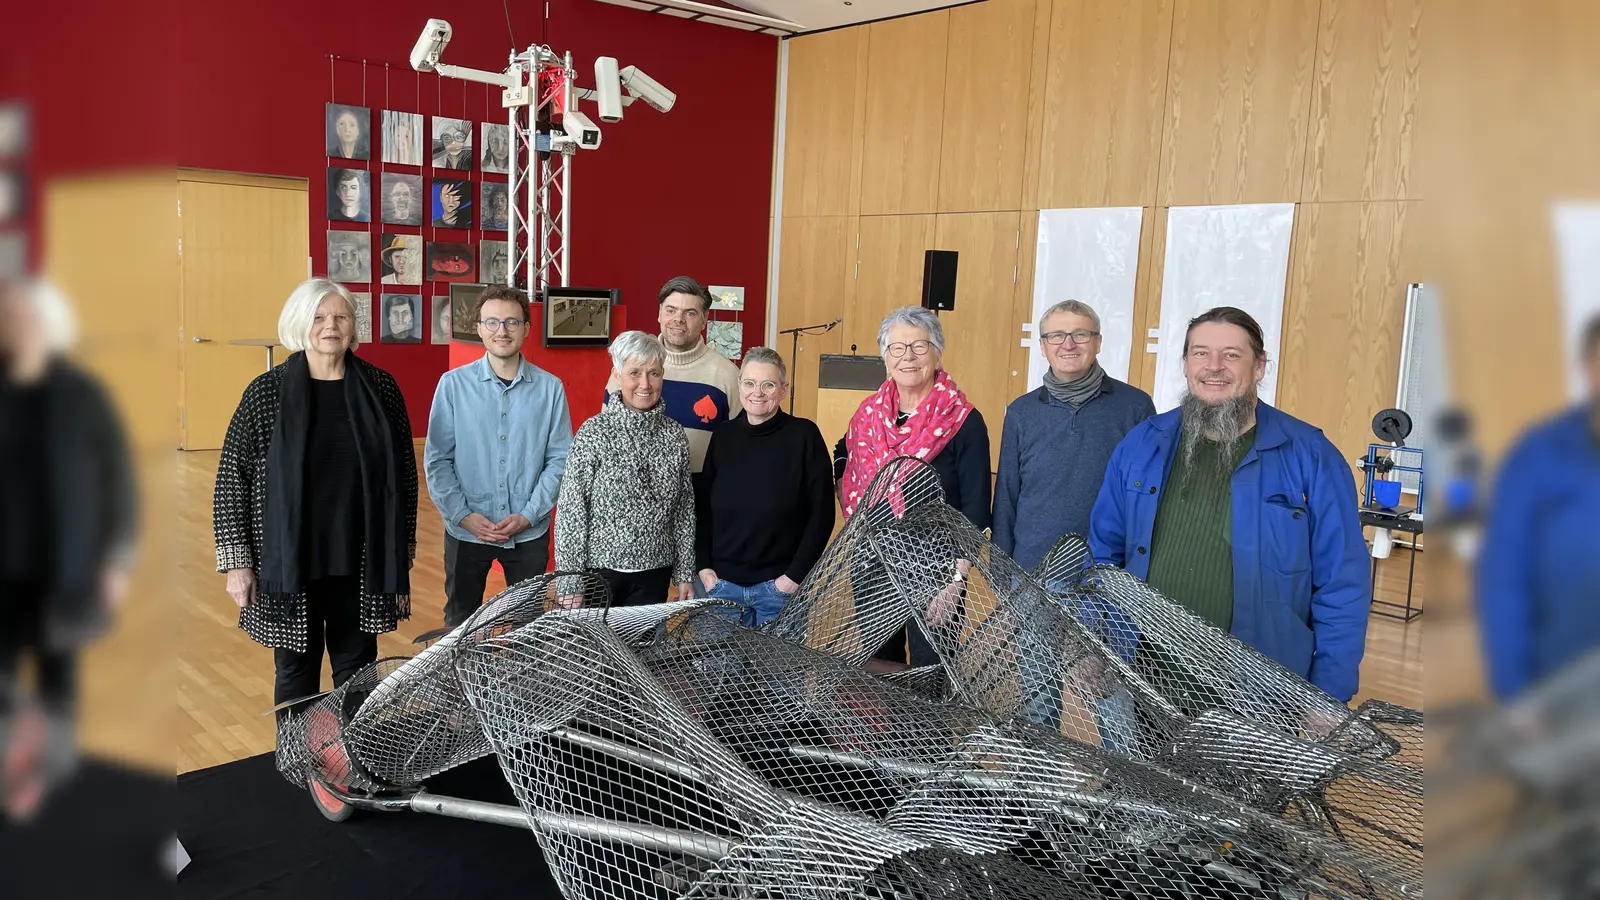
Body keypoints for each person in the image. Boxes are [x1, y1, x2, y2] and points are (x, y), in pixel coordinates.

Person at [1088, 307, 1370, 703]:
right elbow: (1102, 556)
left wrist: (1328, 693)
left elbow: (1342, 582)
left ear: (1260, 367)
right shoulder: (1141, 444)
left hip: (1260, 691)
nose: (1214, 367)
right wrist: (1095, 643)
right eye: (1200, 353)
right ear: (1186, 366)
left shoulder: (1311, 456)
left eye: (1232, 355)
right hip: (1142, 675)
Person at [213, 278, 417, 711]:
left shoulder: (381, 389)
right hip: (291, 559)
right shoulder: (265, 394)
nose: (331, 326)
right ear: (300, 324)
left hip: (361, 558)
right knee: (294, 669)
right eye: (319, 317)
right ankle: (296, 767)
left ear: (352, 326)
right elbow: (233, 478)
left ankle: (353, 766)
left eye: (341, 316)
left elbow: (403, 477)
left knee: (359, 665)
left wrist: (404, 548)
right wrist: (237, 564)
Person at [0, 280, 138, 820]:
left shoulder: (84, 394)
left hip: (67, 565)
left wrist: (119, 559)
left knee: (59, 670)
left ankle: (53, 777)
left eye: (33, 320)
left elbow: (119, 481)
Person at [991, 299, 1154, 732]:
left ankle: (1127, 787)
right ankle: (1042, 785)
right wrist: (1000, 570)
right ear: (1042, 346)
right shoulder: (1022, 412)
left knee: (1113, 696)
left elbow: (1147, 499)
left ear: (1097, 342)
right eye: (1056, 336)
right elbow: (1007, 492)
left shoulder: (1135, 408)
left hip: (1107, 577)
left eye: (1080, 334)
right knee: (1038, 689)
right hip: (1033, 572)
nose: (1068, 344)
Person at [834, 305, 990, 666]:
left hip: (938, 572)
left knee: (931, 671)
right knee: (880, 666)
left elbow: (976, 509)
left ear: (937, 354)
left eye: (919, 346)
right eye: (897, 348)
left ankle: (931, 726)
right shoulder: (867, 415)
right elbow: (845, 455)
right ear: (885, 358)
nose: (908, 357)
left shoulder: (964, 421)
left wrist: (956, 581)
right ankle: (884, 727)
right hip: (873, 562)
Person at [426, 286, 571, 628]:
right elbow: (437, 460)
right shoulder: (452, 385)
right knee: (460, 623)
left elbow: (560, 460)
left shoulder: (551, 388)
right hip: (466, 531)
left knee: (528, 624)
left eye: (511, 322)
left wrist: (528, 514)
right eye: (492, 322)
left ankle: (521, 683)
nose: (501, 331)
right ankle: (460, 682)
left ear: (526, 329)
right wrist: (462, 515)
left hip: (528, 530)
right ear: (478, 327)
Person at [1477, 313, 1600, 701]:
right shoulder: (1538, 455)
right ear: (1588, 366)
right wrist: (1515, 693)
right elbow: (1504, 578)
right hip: (1560, 678)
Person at [695, 348, 834, 626]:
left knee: (779, 671)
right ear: (739, 386)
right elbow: (704, 508)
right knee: (718, 670)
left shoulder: (804, 436)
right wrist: (705, 568)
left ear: (784, 389)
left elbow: (822, 514)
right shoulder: (723, 436)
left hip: (779, 589)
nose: (757, 392)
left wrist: (792, 578)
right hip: (721, 588)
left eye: (768, 384)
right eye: (749, 383)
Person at [556, 331, 695, 608]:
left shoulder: (675, 435)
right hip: (599, 574)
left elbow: (683, 509)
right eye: (634, 373)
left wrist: (685, 573)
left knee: (644, 651)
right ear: (617, 375)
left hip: (655, 574)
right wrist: (569, 583)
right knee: (597, 651)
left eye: (654, 373)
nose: (645, 383)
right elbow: (571, 511)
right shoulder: (593, 432)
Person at [605, 276, 741, 477]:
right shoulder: (628, 369)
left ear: (704, 320)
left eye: (690, 313)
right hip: (630, 495)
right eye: (671, 310)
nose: (678, 319)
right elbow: (605, 434)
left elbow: (741, 447)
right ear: (659, 314)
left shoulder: (728, 376)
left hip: (702, 498)